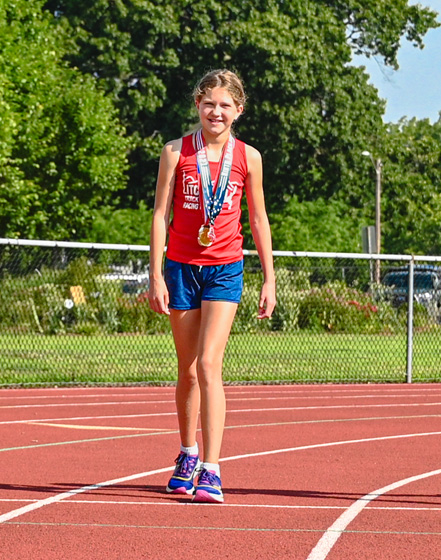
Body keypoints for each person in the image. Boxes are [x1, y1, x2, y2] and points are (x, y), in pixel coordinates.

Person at [149, 69, 275, 504]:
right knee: (186, 369)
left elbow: (257, 218)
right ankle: (187, 453)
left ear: (238, 110)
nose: (215, 111)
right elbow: (159, 215)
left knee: (208, 365)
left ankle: (212, 469)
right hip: (181, 268)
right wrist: (155, 275)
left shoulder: (249, 157)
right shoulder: (174, 152)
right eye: (208, 103)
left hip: (225, 268)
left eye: (224, 105)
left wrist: (269, 277)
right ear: (197, 105)